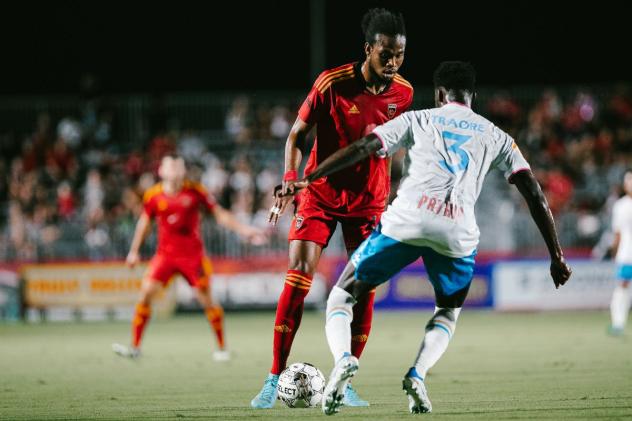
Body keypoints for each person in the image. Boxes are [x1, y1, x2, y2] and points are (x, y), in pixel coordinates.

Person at [284, 61, 572, 415]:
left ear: (439, 95)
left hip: (407, 221)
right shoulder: (497, 135)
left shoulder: (417, 118)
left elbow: (362, 148)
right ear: (473, 97)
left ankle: (343, 359)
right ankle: (417, 374)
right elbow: (533, 192)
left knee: (341, 297)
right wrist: (556, 255)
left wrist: (311, 177)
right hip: (457, 233)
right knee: (447, 312)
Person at [250, 8, 414, 409]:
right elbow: (296, 135)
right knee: (299, 274)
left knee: (363, 287)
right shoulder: (332, 83)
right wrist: (291, 178)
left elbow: (401, 147)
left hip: (369, 203)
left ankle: (346, 377)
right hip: (320, 194)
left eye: (399, 54)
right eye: (385, 54)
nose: (392, 62)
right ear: (368, 49)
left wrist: (402, 190)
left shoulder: (404, 93)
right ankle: (273, 378)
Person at [112, 155, 265, 361]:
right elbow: (145, 223)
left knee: (207, 301)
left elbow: (219, 214)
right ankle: (135, 347)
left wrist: (243, 229)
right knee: (146, 294)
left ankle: (222, 348)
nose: (175, 170)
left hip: (192, 257)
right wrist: (134, 251)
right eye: (171, 166)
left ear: (183, 171)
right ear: (162, 171)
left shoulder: (195, 191)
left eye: (178, 166)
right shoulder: (153, 195)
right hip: (165, 256)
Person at [608, 169, 632, 336]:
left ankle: (618, 323)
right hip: (627, 254)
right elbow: (617, 234)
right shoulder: (621, 205)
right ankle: (618, 323)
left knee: (623, 289)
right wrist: (615, 252)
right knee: (623, 288)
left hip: (626, 254)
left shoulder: (621, 205)